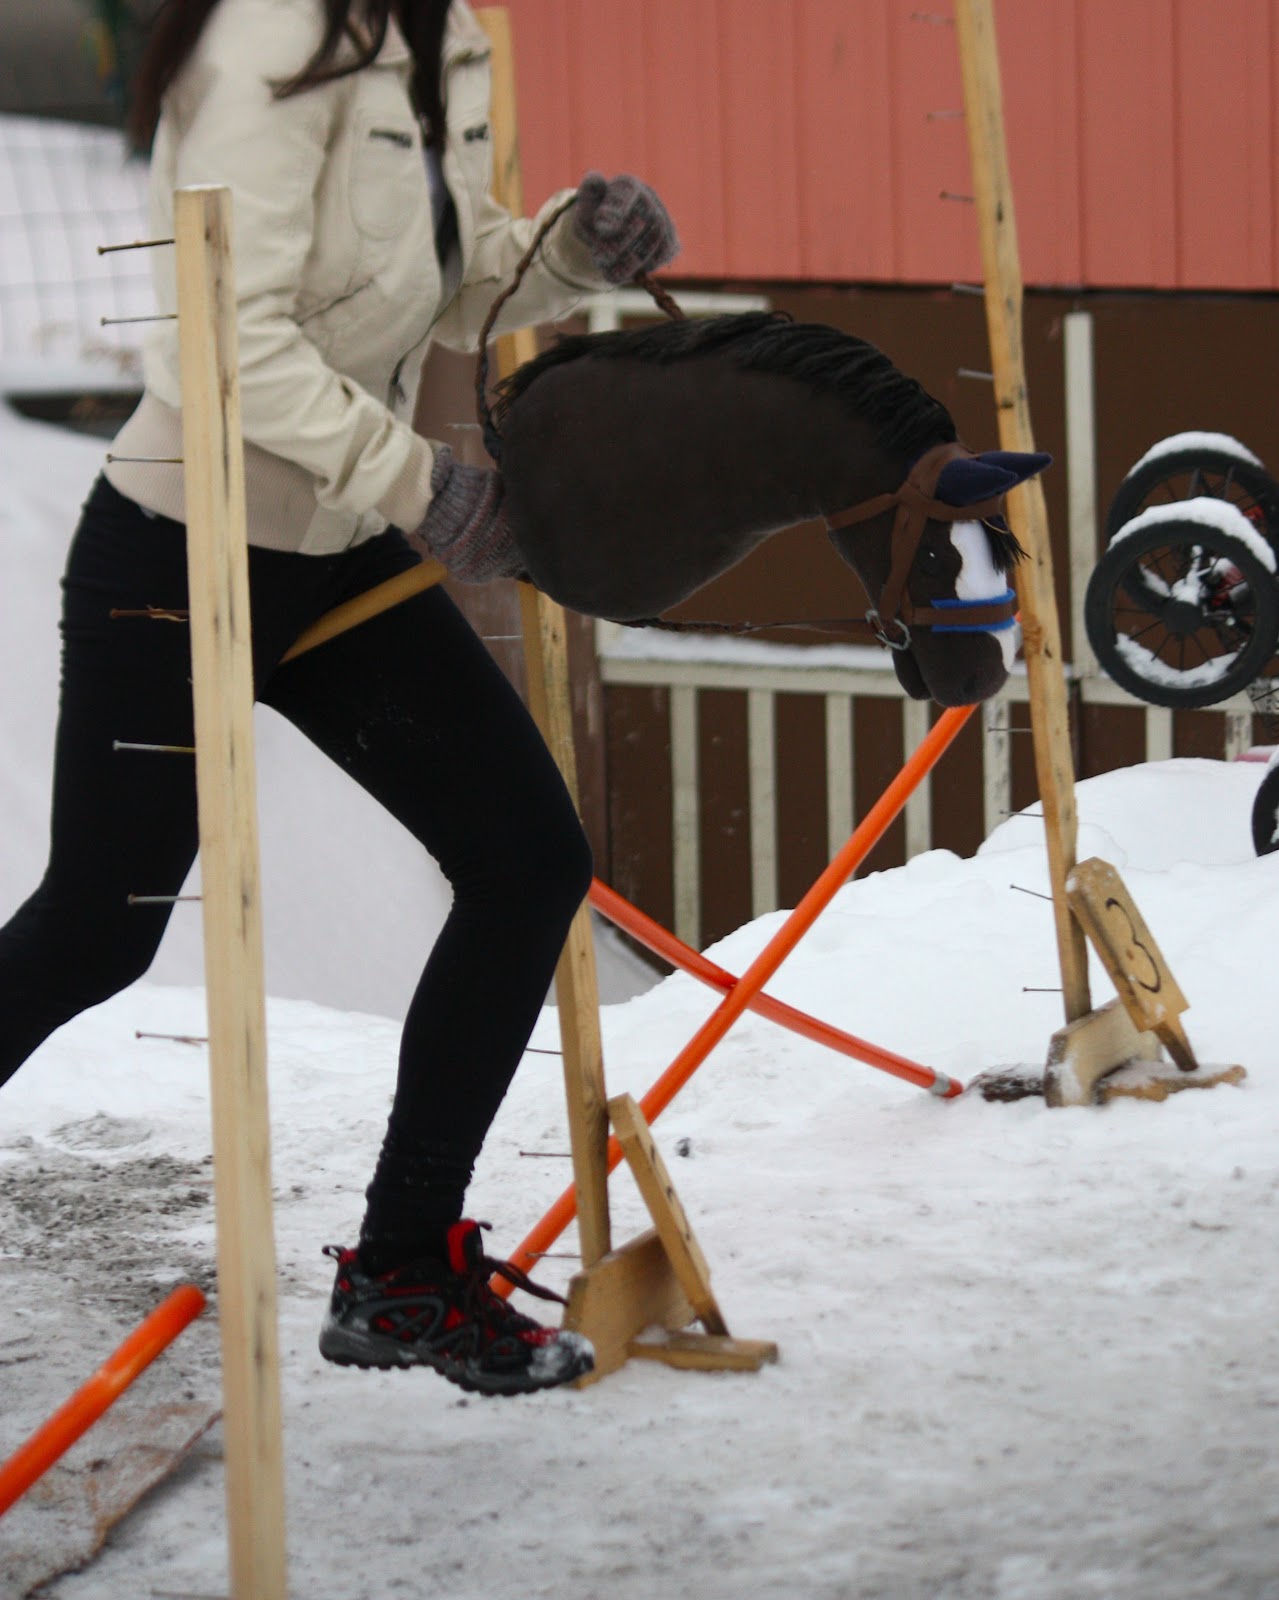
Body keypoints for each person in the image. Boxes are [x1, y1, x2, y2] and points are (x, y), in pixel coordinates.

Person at [0, 0, 678, 1396]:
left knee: (525, 861)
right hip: (183, 546)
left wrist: (567, 251)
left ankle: (401, 1272)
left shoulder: (441, 35)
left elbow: (447, 282)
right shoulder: (269, 38)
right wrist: (424, 485)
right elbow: (225, 341)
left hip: (331, 551)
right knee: (97, 931)